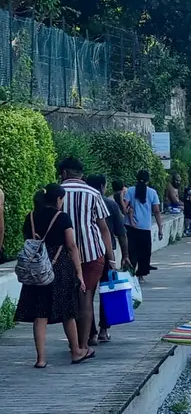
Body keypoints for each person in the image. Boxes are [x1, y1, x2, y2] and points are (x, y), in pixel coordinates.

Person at [15, 184, 95, 367]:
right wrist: (79, 273)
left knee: (40, 314)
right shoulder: (62, 217)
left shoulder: (31, 216)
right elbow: (71, 246)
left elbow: (28, 240)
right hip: (59, 268)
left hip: (37, 269)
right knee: (67, 312)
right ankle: (76, 351)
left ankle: (41, 359)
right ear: (58, 199)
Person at [59, 157, 115, 354]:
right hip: (93, 253)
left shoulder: (57, 192)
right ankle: (83, 345)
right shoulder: (93, 193)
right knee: (87, 297)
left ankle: (72, 343)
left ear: (64, 173)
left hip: (63, 254)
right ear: (81, 174)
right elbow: (104, 229)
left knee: (69, 298)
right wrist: (111, 257)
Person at [85, 174, 130, 344]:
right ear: (103, 186)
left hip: (87, 253)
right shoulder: (110, 204)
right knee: (107, 292)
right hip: (107, 253)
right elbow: (121, 233)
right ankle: (104, 330)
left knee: (86, 294)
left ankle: (90, 333)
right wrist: (125, 256)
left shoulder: (84, 202)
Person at [124, 170, 163, 282]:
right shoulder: (152, 192)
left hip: (130, 226)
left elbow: (124, 207)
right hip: (145, 227)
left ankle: (130, 274)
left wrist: (129, 211)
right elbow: (156, 211)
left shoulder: (130, 191)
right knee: (144, 252)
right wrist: (160, 228)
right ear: (148, 180)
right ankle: (140, 275)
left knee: (132, 251)